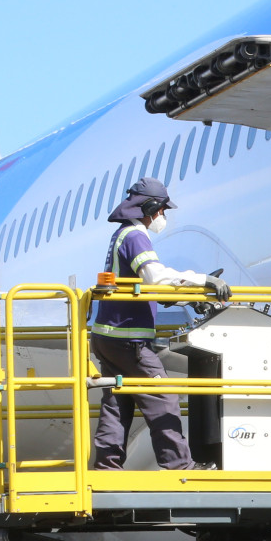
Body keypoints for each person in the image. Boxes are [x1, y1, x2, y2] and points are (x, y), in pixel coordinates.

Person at [89, 177, 228, 470]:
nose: (163, 216)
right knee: (163, 398)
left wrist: (182, 298)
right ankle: (180, 467)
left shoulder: (121, 235)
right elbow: (155, 277)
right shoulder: (136, 236)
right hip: (129, 341)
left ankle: (106, 469)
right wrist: (203, 280)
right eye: (162, 210)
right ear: (151, 208)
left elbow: (142, 286)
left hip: (107, 336)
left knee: (117, 405)